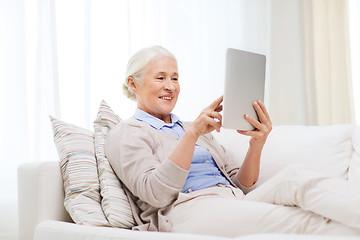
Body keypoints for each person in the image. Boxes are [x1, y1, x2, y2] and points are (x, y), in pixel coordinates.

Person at [105, 45, 360, 237]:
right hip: (186, 212)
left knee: (296, 177)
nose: (170, 86)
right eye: (160, 78)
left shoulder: (190, 127)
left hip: (234, 200)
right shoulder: (126, 133)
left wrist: (257, 144)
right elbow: (156, 194)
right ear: (133, 84)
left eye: (175, 77)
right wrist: (192, 135)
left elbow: (243, 183)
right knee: (303, 221)